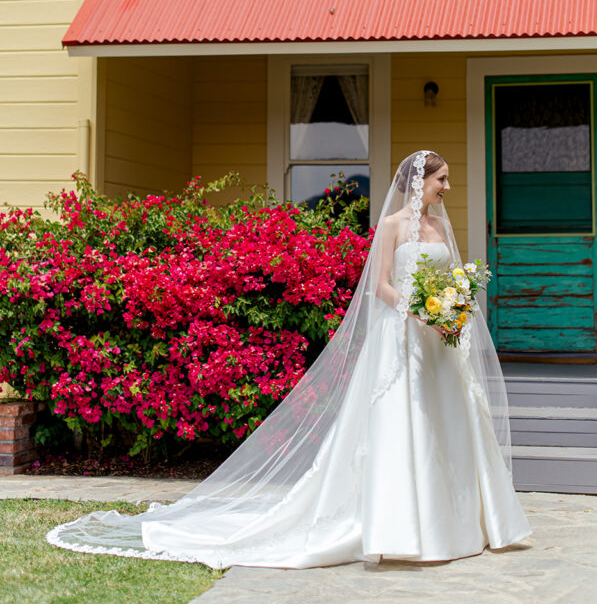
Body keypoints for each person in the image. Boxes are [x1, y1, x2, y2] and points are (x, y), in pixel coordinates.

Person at [47, 150, 531, 567]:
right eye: (441, 179)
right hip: (403, 339)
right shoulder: (391, 227)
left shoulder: (438, 228)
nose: (447, 187)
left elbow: (450, 279)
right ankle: (405, 529)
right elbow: (381, 285)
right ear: (419, 182)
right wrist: (417, 312)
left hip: (440, 342)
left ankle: (462, 525)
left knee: (450, 422)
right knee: (406, 427)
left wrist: (452, 306)